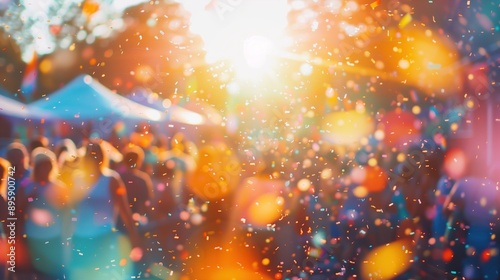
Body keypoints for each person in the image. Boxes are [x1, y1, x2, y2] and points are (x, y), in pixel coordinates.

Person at [68, 140, 143, 279]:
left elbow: (125, 212)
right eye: (91, 155)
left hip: (103, 239)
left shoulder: (112, 179)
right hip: (81, 238)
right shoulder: (77, 178)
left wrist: (134, 240)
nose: (94, 159)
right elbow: (70, 210)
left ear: (102, 158)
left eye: (96, 155)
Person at [16, 148, 69, 279]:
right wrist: (29, 199)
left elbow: (67, 213)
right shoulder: (26, 185)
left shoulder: (59, 187)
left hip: (53, 238)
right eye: (42, 165)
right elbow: (17, 211)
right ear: (36, 167)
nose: (46, 169)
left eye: (48, 165)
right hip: (32, 237)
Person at [444, 176, 500, 279]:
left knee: (467, 273)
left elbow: (446, 209)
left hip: (467, 242)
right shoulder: (493, 188)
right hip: (489, 244)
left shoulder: (462, 184)